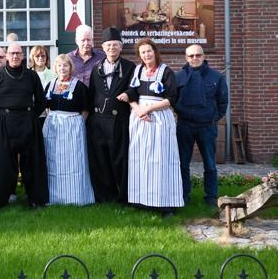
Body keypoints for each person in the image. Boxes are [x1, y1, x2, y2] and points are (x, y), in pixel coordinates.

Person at [125, 38, 182, 214]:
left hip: (159, 118)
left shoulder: (166, 72)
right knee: (140, 158)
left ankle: (165, 203)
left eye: (149, 51)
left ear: (155, 52)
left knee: (161, 159)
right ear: (139, 55)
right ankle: (141, 200)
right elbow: (131, 94)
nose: (146, 55)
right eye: (143, 52)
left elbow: (171, 98)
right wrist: (139, 110)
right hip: (140, 117)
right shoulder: (137, 71)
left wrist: (149, 108)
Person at [0, 42, 48, 209]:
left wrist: (31, 116)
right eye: (12, 53)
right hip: (5, 123)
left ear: (23, 56)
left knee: (32, 162)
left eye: (18, 53)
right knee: (4, 164)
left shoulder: (31, 76)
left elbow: (41, 101)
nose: (15, 56)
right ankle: (1, 200)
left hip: (28, 122)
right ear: (7, 56)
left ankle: (36, 199)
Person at [86, 27, 135, 203]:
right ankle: (104, 196)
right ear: (103, 47)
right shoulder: (96, 68)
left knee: (119, 159)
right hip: (98, 121)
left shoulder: (130, 67)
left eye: (115, 45)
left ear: (121, 47)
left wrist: (129, 93)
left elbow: (135, 88)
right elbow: (91, 94)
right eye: (108, 45)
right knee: (100, 160)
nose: (111, 48)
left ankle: (123, 196)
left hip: (119, 121)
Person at [175, 44, 228, 208]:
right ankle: (184, 195)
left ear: (204, 56)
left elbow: (222, 101)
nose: (195, 58)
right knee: (183, 163)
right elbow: (173, 99)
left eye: (198, 55)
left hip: (206, 127)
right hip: (184, 126)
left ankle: (211, 196)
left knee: (210, 164)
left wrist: (212, 118)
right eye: (191, 56)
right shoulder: (179, 77)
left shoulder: (216, 77)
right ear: (186, 58)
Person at [43, 54, 94, 205]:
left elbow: (86, 109)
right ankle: (54, 197)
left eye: (65, 65)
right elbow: (46, 106)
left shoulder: (78, 85)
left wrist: (76, 124)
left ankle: (75, 197)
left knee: (73, 160)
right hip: (53, 126)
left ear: (70, 67)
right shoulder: (51, 84)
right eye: (59, 66)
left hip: (72, 126)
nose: (62, 68)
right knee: (53, 160)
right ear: (56, 68)